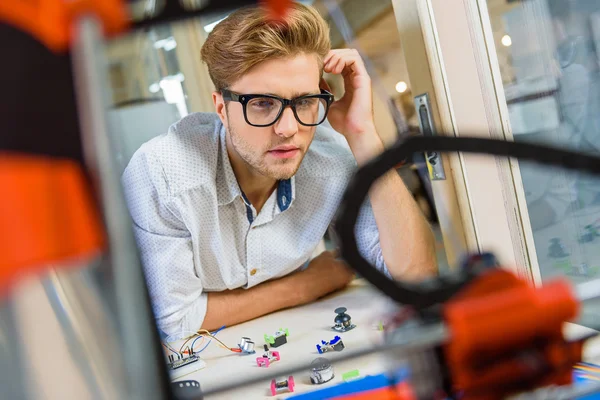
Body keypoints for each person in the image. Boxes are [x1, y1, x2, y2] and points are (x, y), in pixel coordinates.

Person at [122, 3, 436, 336]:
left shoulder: (330, 160)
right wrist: (305, 285)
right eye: (262, 103)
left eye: (303, 101)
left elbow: (416, 277)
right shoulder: (163, 174)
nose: (288, 128)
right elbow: (173, 319)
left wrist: (363, 134)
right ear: (221, 109)